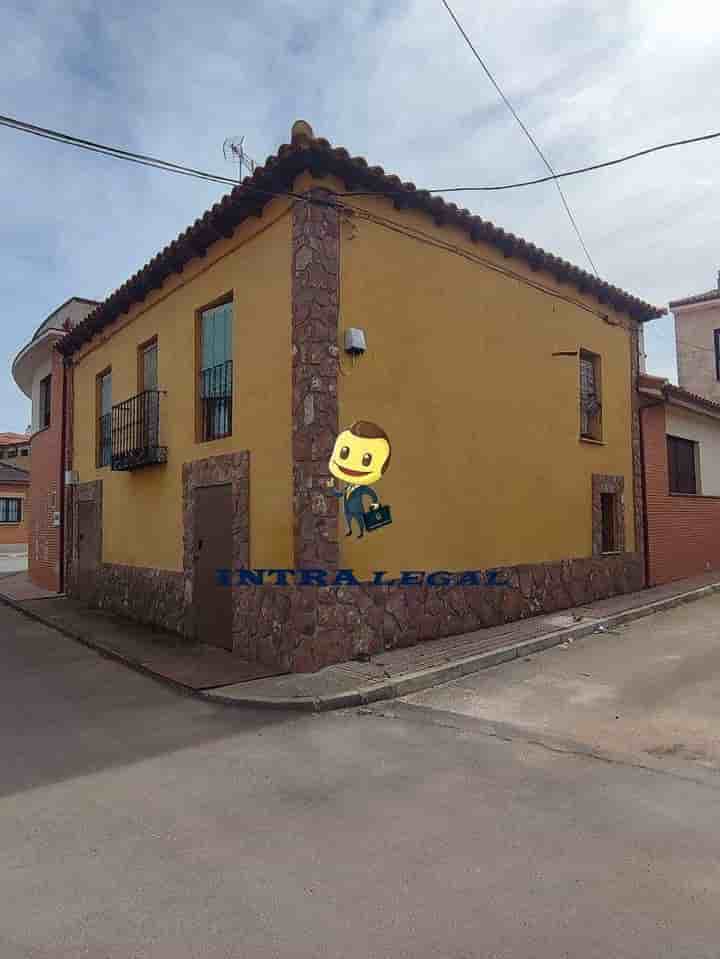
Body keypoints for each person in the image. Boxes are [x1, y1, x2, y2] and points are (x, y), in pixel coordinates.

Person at [326, 420, 391, 538]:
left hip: (358, 511)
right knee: (349, 522)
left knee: (360, 523)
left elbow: (371, 493)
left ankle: (361, 532)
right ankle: (350, 530)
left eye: (367, 460)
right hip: (348, 511)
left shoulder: (362, 488)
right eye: (344, 453)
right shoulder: (347, 487)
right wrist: (331, 487)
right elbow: (339, 494)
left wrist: (375, 503)